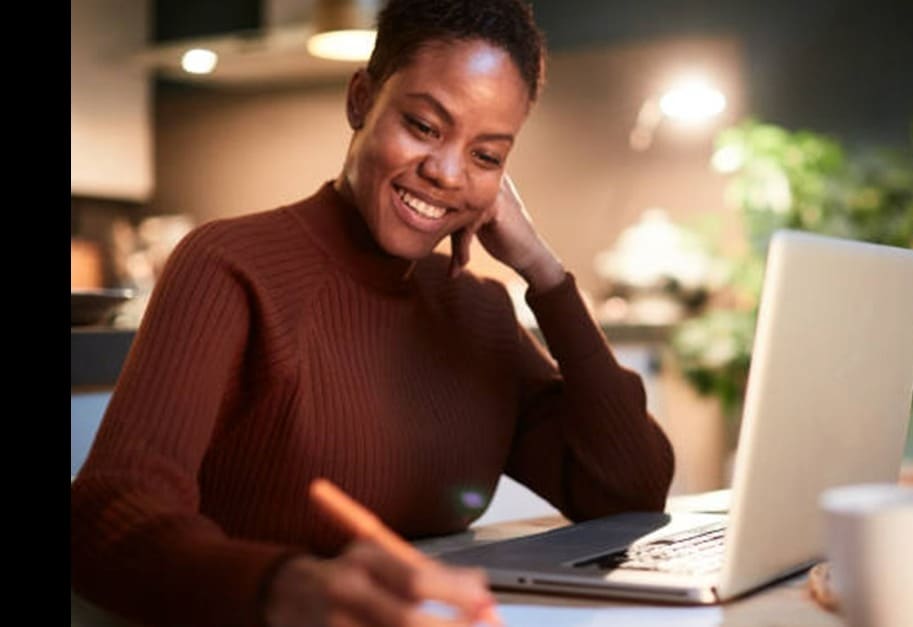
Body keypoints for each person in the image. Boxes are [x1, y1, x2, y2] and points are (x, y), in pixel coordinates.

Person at [69, 1, 676, 625]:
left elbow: (627, 491)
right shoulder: (229, 265)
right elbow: (104, 514)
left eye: (486, 156)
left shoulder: (476, 309)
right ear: (361, 99)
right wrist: (291, 588)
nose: (445, 172)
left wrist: (546, 275)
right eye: (424, 125)